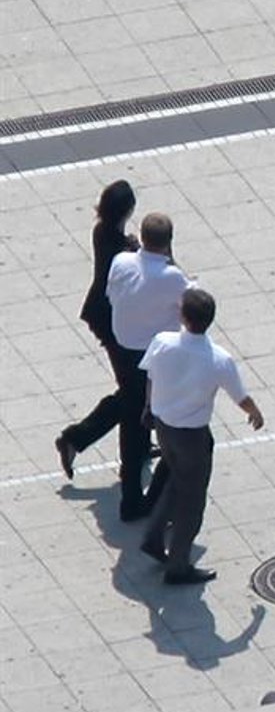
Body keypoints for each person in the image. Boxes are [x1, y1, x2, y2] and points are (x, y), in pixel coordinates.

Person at [139, 286, 263, 588]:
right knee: (192, 501)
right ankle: (178, 566)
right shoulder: (218, 359)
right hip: (192, 436)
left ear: (183, 316)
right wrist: (255, 412)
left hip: (164, 427)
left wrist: (148, 409)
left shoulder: (162, 342)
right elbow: (240, 397)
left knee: (175, 481)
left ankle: (154, 538)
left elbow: (150, 376)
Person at [55, 178, 146, 513]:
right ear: (128, 210)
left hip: (103, 316)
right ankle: (76, 437)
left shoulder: (103, 232)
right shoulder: (123, 250)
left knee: (135, 388)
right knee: (134, 393)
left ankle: (130, 444)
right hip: (115, 324)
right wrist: (137, 251)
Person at [103, 210, 189, 519]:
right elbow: (191, 307)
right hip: (153, 357)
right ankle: (146, 500)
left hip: (122, 347)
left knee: (130, 414)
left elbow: (112, 295)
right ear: (168, 243)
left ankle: (130, 496)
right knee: (154, 419)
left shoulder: (121, 262)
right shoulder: (173, 277)